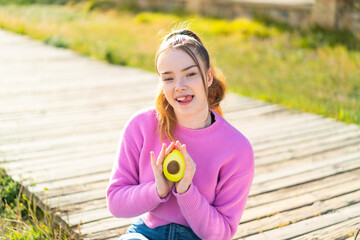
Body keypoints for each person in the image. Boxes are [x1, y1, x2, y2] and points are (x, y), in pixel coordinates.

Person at [106, 28, 254, 240]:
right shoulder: (141, 126)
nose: (180, 87)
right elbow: (115, 201)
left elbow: (221, 234)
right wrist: (158, 190)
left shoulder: (236, 148)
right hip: (145, 233)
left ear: (208, 76)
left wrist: (186, 191)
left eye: (190, 74)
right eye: (168, 78)